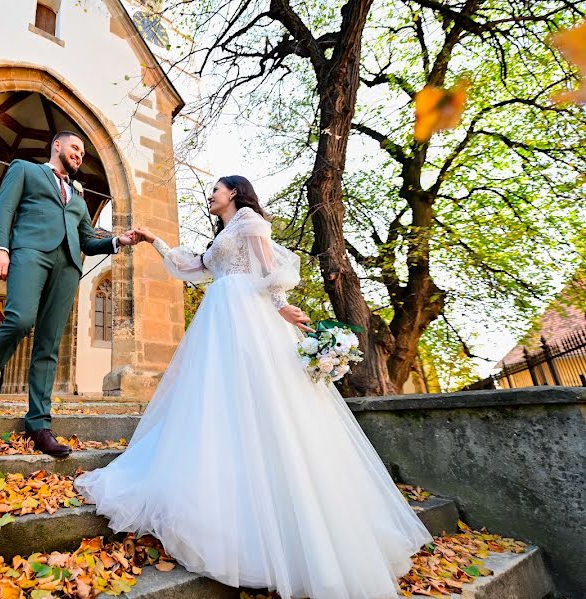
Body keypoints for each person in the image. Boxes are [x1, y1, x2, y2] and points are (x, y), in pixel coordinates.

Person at [75, 176, 432, 598]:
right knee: (219, 400)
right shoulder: (221, 236)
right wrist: (154, 239)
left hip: (249, 316)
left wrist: (282, 309)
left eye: (215, 190)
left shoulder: (248, 220)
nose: (210, 196)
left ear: (234, 193)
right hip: (220, 318)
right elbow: (191, 267)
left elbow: (268, 270)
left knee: (266, 399)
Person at [0, 131, 139, 457]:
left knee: (49, 342)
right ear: (57, 146)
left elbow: (87, 240)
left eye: (83, 153)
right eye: (75, 148)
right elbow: (4, 209)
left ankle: (39, 424)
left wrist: (117, 241)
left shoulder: (79, 199)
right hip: (30, 251)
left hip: (68, 265)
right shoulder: (26, 170)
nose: (79, 155)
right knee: (19, 319)